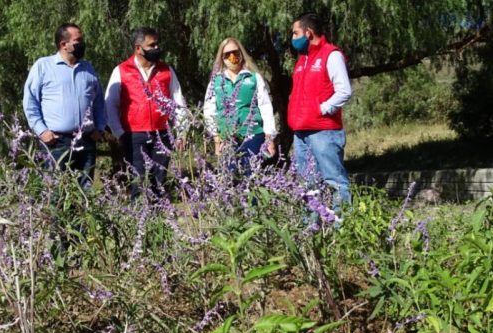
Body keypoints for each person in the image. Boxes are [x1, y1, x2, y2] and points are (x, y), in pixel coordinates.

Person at [105, 27, 188, 199]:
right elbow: (110, 105)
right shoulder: (121, 71)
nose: (157, 48)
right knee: (139, 182)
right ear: (138, 48)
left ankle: (159, 221)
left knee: (160, 182)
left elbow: (179, 103)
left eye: (157, 44)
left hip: (163, 135)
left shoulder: (166, 71)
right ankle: (139, 223)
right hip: (133, 136)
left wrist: (181, 132)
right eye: (152, 45)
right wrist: (119, 133)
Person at [23, 23, 106, 188]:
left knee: (85, 193)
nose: (82, 44)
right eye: (78, 41)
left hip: (86, 141)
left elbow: (99, 102)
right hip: (57, 142)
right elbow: (30, 101)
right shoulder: (43, 66)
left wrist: (100, 127)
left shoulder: (88, 69)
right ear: (63, 44)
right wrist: (41, 131)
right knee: (56, 192)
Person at [288, 13, 352, 206]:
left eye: (295, 33)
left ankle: (342, 230)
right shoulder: (302, 60)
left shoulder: (331, 55)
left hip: (324, 131)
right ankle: (313, 231)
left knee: (334, 181)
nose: (293, 38)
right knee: (308, 184)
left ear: (308, 33)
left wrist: (321, 109)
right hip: (300, 132)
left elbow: (344, 91)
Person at [202, 37, 277, 175]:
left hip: (253, 135)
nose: (232, 57)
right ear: (222, 57)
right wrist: (216, 137)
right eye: (227, 54)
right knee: (230, 178)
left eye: (235, 52)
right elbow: (209, 109)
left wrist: (270, 137)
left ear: (241, 53)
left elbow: (265, 106)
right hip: (226, 137)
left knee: (252, 177)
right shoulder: (216, 81)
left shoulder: (253, 77)